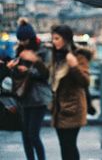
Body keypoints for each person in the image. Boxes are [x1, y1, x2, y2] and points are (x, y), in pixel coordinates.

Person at [6, 18, 51, 160]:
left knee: (33, 135)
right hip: (23, 97)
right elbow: (15, 77)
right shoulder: (19, 52)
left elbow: (45, 75)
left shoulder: (43, 51)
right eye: (20, 40)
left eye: (25, 40)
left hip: (38, 98)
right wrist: (13, 69)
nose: (23, 43)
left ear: (31, 37)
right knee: (25, 135)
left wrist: (29, 68)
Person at [49, 25, 91, 160]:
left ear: (66, 39)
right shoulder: (57, 57)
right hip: (59, 108)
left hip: (73, 108)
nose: (54, 41)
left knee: (69, 145)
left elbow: (85, 81)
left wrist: (74, 66)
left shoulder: (78, 56)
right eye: (53, 39)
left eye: (57, 38)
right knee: (64, 145)